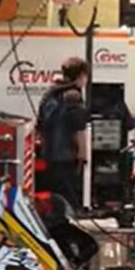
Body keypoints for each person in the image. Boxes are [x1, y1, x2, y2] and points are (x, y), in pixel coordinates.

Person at [37, 57, 90, 212]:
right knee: (69, 198)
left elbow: (40, 122)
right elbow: (78, 128)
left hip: (49, 153)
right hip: (66, 155)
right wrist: (82, 154)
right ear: (81, 75)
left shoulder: (51, 93)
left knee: (55, 197)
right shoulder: (73, 95)